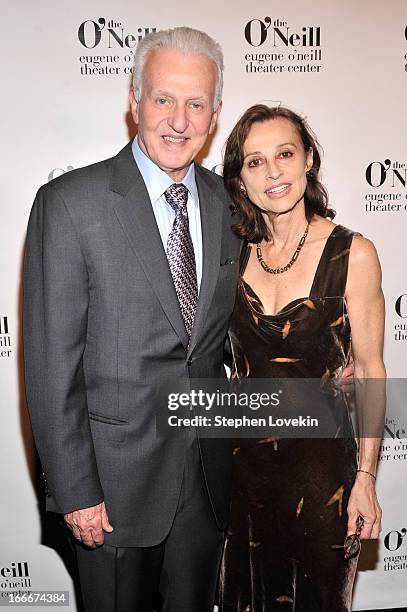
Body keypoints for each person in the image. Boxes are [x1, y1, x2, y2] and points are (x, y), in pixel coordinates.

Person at [23, 27, 241, 612]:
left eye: (196, 103)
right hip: (111, 489)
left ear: (216, 113)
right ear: (134, 98)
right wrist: (75, 491)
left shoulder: (230, 203)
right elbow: (50, 364)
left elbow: (233, 337)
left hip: (206, 483)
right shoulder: (70, 203)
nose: (178, 120)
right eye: (163, 99)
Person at [218, 105, 385, 611]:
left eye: (285, 154)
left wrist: (366, 479)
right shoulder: (230, 253)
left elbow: (372, 371)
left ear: (309, 159)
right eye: (254, 161)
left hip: (322, 479)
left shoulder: (353, 254)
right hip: (241, 476)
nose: (273, 172)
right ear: (240, 179)